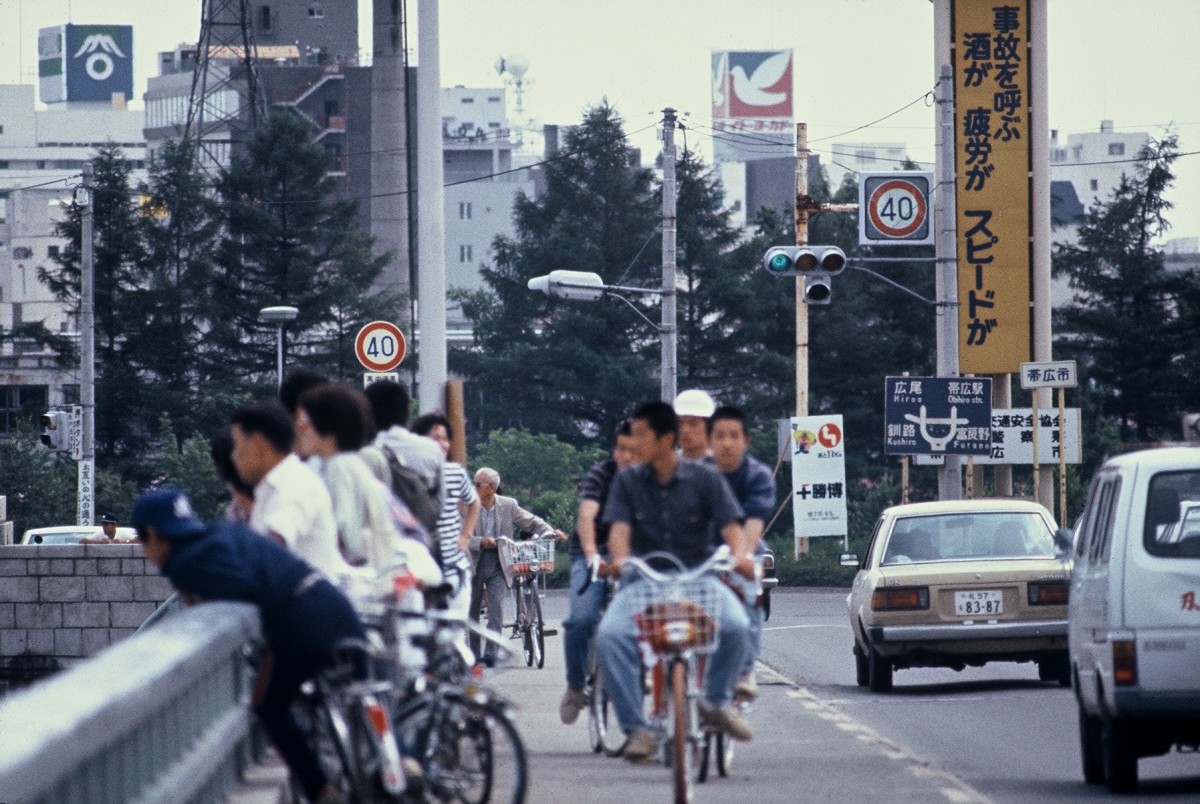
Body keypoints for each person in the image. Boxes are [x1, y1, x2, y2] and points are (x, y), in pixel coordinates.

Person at [131, 486, 365, 804]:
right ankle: (400, 761)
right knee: (365, 698)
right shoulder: (222, 532)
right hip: (337, 605)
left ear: (154, 535)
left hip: (301, 623)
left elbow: (238, 589)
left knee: (267, 704)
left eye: (142, 541)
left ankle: (321, 791)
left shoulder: (185, 561)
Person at [596, 400, 755, 760]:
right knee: (609, 636)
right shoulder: (627, 480)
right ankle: (637, 728)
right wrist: (619, 560)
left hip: (700, 577)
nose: (633, 444)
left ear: (666, 439)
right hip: (643, 581)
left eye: (640, 435)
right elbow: (618, 530)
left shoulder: (706, 478)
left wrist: (740, 557)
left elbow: (732, 528)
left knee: (736, 626)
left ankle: (714, 703)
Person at [293, 383, 441, 586]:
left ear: (329, 427)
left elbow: (349, 541)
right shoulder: (349, 465)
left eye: (306, 421)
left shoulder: (339, 469)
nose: (299, 428)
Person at [559, 419, 638, 725]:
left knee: (649, 618)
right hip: (590, 554)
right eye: (620, 449)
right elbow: (587, 515)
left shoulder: (652, 477)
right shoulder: (601, 474)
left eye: (633, 450)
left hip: (633, 556)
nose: (626, 457)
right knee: (581, 620)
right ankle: (576, 686)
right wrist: (592, 554)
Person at [229, 401, 349, 580]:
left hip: (308, 604)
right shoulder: (274, 486)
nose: (234, 456)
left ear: (258, 445)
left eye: (237, 445)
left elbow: (271, 546)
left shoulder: (295, 484)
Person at [705, 405, 776, 702]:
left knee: (751, 593)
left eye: (734, 435)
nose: (727, 442)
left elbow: (754, 524)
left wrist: (742, 558)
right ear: (710, 441)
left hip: (745, 551)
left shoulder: (758, 476)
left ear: (746, 440)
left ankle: (746, 671)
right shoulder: (697, 473)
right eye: (720, 436)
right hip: (701, 553)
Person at [467, 467, 563, 665]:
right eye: (473, 483)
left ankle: (491, 652)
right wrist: (480, 542)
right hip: (473, 562)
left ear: (492, 488)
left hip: (499, 561)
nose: (473, 487)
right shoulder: (466, 505)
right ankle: (474, 655)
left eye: (478, 484)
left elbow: (530, 521)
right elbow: (461, 537)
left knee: (497, 609)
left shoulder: (508, 505)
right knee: (472, 610)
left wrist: (549, 531)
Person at [411, 412, 480, 617]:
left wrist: (466, 535)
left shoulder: (455, 472)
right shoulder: (408, 472)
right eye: (435, 438)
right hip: (421, 571)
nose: (442, 444)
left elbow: (473, 501)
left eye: (445, 438)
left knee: (455, 633)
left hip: (454, 569)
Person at [360, 380, 444, 514]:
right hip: (422, 532)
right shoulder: (432, 448)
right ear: (405, 411)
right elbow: (440, 503)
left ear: (369, 413)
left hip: (380, 532)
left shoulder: (363, 454)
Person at [673, 388, 716, 460]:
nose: (685, 430)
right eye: (680, 423)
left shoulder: (724, 466)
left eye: (693, 424)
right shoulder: (664, 467)